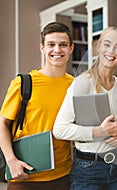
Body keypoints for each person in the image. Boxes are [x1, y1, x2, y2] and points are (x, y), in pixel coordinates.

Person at [53, 27, 117, 190]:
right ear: (99, 47)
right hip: (89, 170)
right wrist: (100, 131)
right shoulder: (82, 82)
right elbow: (59, 129)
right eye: (107, 45)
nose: (111, 51)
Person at [0, 22, 74, 190]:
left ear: (71, 48)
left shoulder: (76, 85)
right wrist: (11, 161)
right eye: (51, 45)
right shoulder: (23, 83)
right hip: (24, 175)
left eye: (63, 45)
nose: (57, 50)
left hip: (63, 175)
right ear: (42, 48)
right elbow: (2, 124)